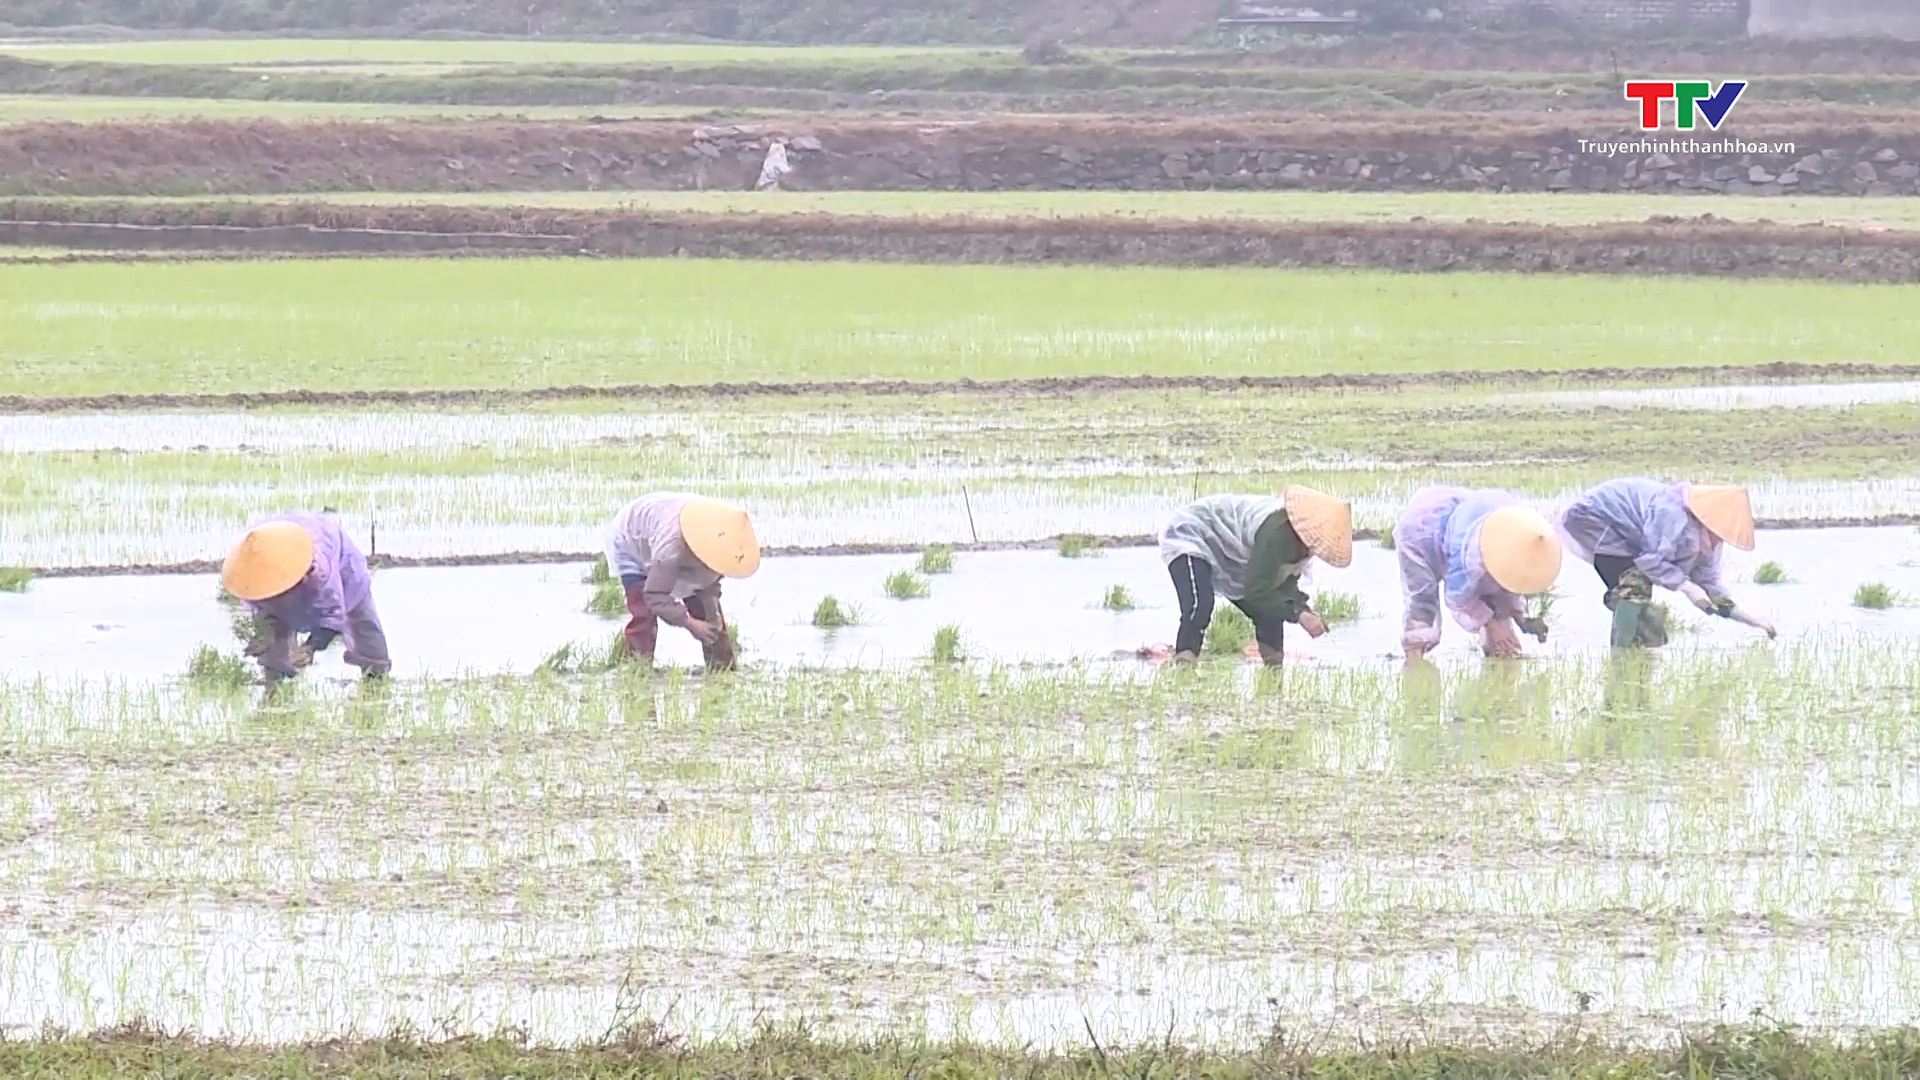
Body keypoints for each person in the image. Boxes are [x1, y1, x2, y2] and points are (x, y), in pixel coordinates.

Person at [1557, 478, 1776, 648]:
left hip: (1629, 538)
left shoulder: (1708, 545)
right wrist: (1687, 587)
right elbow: (1651, 561)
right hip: (1592, 518)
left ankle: (1641, 658)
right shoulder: (1672, 516)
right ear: (1708, 521)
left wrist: (1749, 618)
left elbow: (1710, 587)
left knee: (1646, 617)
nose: (1721, 539)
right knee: (1635, 586)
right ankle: (1620, 656)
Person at [1158, 486, 1353, 667]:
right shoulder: (1278, 533)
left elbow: (1281, 585)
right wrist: (1298, 615)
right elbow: (1257, 590)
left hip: (1231, 550)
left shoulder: (1303, 544)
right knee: (1200, 605)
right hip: (1194, 533)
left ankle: (1273, 673)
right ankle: (1184, 668)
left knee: (1270, 610)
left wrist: (1303, 608)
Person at [221, 511, 391, 687]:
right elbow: (260, 611)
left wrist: (310, 647)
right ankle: (275, 685)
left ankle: (376, 679)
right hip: (273, 545)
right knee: (273, 637)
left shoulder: (319, 572)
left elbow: (333, 615)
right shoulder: (250, 567)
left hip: (342, 566)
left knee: (363, 624)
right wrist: (264, 634)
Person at [1397, 486, 1564, 663]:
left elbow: (1508, 589)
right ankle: (1414, 662)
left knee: (1500, 618)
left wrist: (1522, 619)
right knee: (1422, 603)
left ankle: (1498, 662)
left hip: (1464, 514)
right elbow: (1458, 599)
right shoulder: (1473, 557)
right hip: (1424, 530)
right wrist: (1491, 625)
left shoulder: (1519, 546)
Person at [606, 492, 759, 671]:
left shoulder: (723, 536)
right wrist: (690, 624)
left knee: (709, 617)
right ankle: (637, 670)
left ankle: (722, 669)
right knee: (643, 614)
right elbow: (654, 595)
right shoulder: (670, 549)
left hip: (669, 533)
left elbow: (710, 582)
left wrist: (711, 613)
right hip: (631, 539)